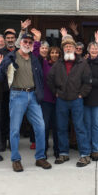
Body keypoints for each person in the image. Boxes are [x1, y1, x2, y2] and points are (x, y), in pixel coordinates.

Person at [0, 33, 51, 172]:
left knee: (40, 127)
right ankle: (15, 159)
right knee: (14, 130)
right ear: (20, 43)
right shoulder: (11, 57)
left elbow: (39, 76)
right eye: (25, 41)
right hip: (17, 95)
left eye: (30, 42)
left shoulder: (34, 58)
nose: (27, 44)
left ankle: (40, 157)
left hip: (33, 95)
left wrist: (39, 92)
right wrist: (1, 67)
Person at [47, 37, 92, 167]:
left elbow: (88, 81)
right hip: (61, 100)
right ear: (63, 49)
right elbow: (50, 79)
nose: (68, 48)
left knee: (79, 127)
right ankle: (63, 153)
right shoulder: (58, 63)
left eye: (70, 46)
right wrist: (56, 91)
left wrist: (81, 94)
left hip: (76, 100)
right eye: (66, 46)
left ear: (74, 48)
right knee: (61, 127)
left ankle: (84, 155)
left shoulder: (82, 63)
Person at [31, 28, 60, 158]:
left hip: (59, 100)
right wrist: (36, 41)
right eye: (51, 52)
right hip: (46, 101)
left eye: (55, 52)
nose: (53, 54)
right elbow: (35, 55)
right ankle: (43, 150)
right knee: (45, 126)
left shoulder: (62, 65)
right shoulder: (43, 63)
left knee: (57, 127)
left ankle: (58, 150)